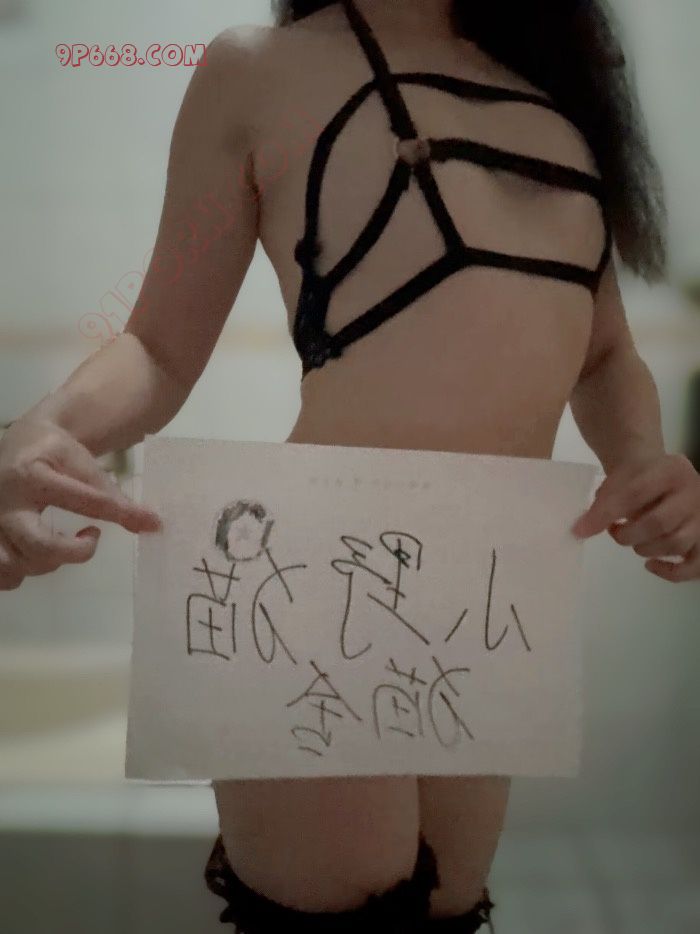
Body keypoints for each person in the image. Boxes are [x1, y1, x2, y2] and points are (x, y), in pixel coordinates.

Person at [1, 0, 699, 930]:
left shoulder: (556, 95)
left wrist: (645, 461)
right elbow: (159, 348)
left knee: (448, 911)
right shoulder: (259, 69)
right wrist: (39, 430)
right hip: (315, 577)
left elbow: (604, 352)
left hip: (488, 600)